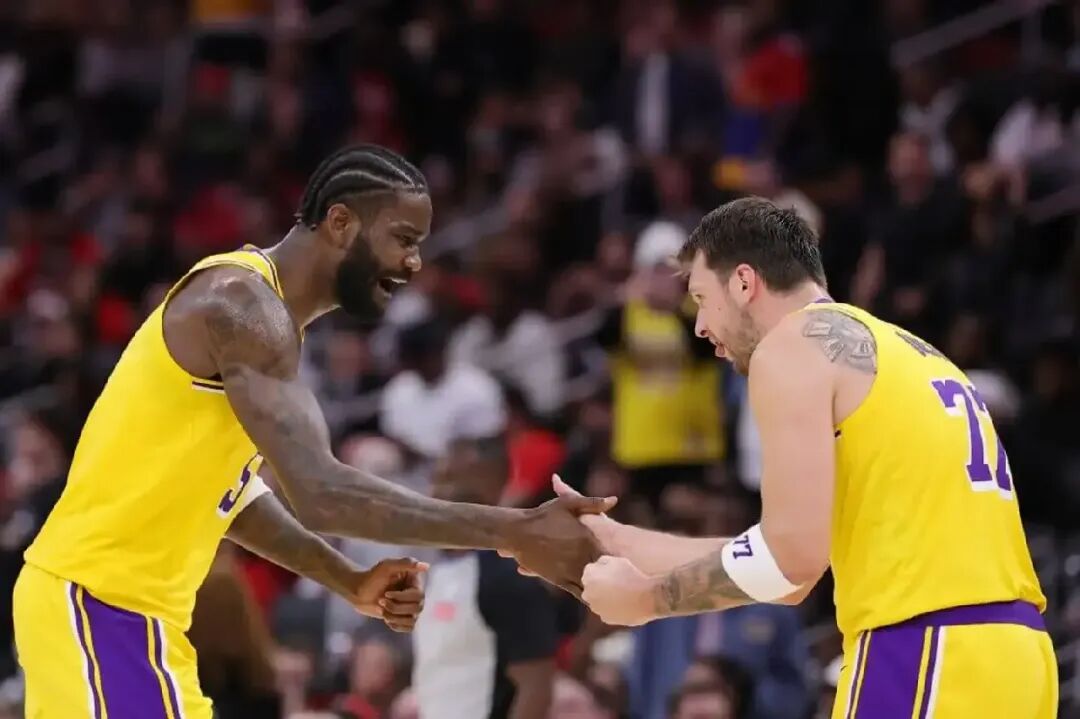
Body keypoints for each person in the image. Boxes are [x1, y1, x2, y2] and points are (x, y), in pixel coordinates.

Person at [13, 144, 610, 719]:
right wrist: (515, 530)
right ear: (342, 223)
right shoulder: (241, 306)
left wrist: (346, 579)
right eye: (403, 239)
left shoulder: (265, 321)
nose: (414, 263)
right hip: (101, 604)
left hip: (135, 618)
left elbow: (230, 495)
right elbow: (322, 494)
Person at [570, 197, 1057, 718]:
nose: (699, 326)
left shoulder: (790, 346)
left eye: (701, 298)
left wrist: (647, 600)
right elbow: (790, 557)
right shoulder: (905, 349)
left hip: (923, 643)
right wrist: (626, 542)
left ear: (743, 282)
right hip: (1017, 655)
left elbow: (790, 564)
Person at [413, 438, 559, 719]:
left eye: (450, 479)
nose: (435, 492)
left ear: (490, 486)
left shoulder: (509, 578)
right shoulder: (436, 570)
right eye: (436, 479)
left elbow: (536, 687)